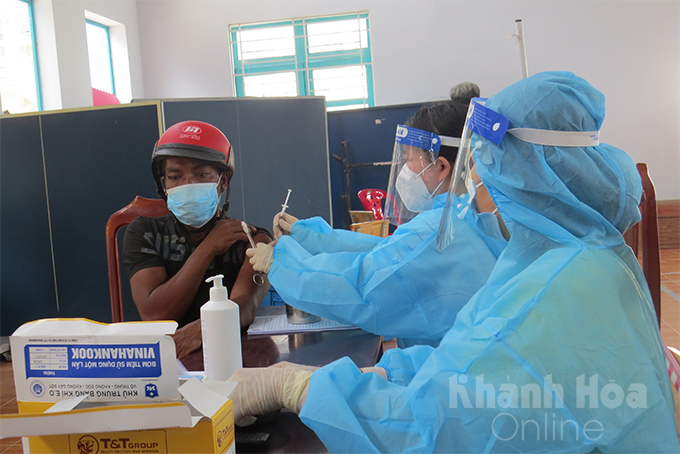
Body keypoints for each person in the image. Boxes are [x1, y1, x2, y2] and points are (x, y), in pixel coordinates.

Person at [229, 72, 679, 453]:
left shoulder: (545, 294)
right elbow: (469, 358)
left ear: (522, 177)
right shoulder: (580, 256)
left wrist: (297, 387)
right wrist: (389, 371)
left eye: (481, 167)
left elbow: (428, 427)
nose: (475, 187)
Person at [247, 91, 508, 348]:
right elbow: (387, 251)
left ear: (441, 166)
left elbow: (361, 287)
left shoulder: (438, 231)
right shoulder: (472, 219)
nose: (405, 170)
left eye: (409, 160)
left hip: (442, 372)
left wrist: (282, 263)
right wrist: (313, 238)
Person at [123, 120, 272, 358]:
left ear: (222, 182)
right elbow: (155, 315)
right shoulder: (145, 232)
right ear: (164, 185)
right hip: (167, 362)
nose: (187, 185)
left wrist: (200, 331)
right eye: (175, 176)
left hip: (232, 358)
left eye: (201, 174)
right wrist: (209, 247)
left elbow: (246, 305)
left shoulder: (250, 239)